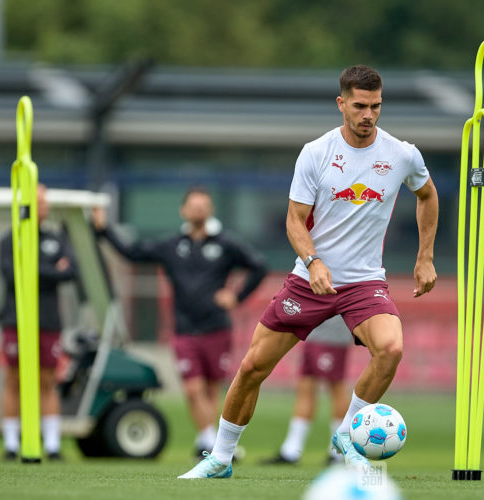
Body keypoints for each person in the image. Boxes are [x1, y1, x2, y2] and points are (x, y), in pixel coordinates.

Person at [178, 64, 438, 479]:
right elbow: (294, 221)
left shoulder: (402, 154)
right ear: (341, 104)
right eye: (359, 106)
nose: (368, 114)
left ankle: (347, 438)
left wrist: (424, 257)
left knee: (390, 349)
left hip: (365, 282)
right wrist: (314, 262)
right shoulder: (316, 153)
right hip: (310, 280)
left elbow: (427, 194)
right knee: (252, 368)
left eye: (375, 106)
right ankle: (220, 458)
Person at [92, 186, 267, 458]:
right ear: (183, 211)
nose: (198, 210)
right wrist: (103, 230)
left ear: (210, 210)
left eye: (203, 205)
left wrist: (236, 296)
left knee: (211, 388)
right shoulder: (171, 246)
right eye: (193, 206)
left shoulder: (225, 244)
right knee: (192, 387)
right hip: (184, 329)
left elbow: (259, 265)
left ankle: (208, 442)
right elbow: (131, 252)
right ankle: (212, 442)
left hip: (216, 328)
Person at [0, 184, 77, 460]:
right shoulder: (11, 239)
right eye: (38, 203)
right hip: (16, 319)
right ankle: (10, 444)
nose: (43, 208)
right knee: (14, 380)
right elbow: (13, 275)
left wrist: (36, 271)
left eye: (45, 203)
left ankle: (53, 445)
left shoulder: (55, 239)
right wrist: (49, 271)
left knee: (47, 380)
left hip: (48, 320)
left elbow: (71, 270)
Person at [261, 315, 352, 466]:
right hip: (314, 329)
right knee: (305, 387)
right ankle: (291, 450)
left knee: (336, 386)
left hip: (331, 330)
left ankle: (338, 451)